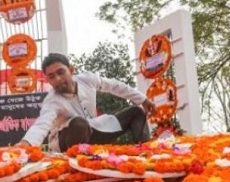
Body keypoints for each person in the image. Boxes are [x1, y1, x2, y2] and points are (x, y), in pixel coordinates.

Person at [17, 53, 155, 152]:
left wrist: (142, 99)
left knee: (136, 111)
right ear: (48, 80)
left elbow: (114, 86)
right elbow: (42, 123)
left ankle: (147, 152)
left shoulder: (87, 80)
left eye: (61, 72)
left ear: (71, 70)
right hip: (66, 144)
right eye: (52, 76)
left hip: (93, 132)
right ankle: (78, 166)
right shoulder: (52, 101)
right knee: (79, 123)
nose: (58, 79)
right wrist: (26, 143)